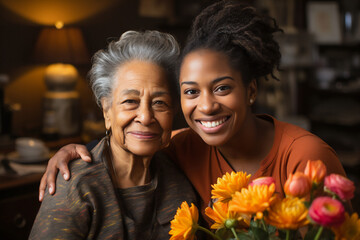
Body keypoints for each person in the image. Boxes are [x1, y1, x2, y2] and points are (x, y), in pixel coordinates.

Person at [39, 0, 347, 224]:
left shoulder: (306, 157)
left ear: (251, 90)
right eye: (190, 92)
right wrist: (73, 152)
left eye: (222, 88)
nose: (206, 105)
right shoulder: (182, 146)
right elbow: (135, 135)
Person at [30, 30, 198, 239]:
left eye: (159, 103)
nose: (145, 117)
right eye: (130, 102)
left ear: (173, 112)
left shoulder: (182, 178)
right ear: (106, 111)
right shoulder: (75, 186)